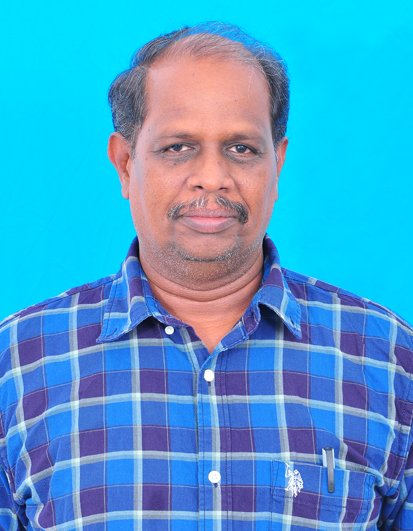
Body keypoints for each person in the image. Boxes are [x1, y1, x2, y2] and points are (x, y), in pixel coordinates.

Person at [0, 21, 412, 530]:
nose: (213, 177)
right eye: (178, 147)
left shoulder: (387, 359)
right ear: (125, 164)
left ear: (277, 164)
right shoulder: (18, 363)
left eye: (242, 148)